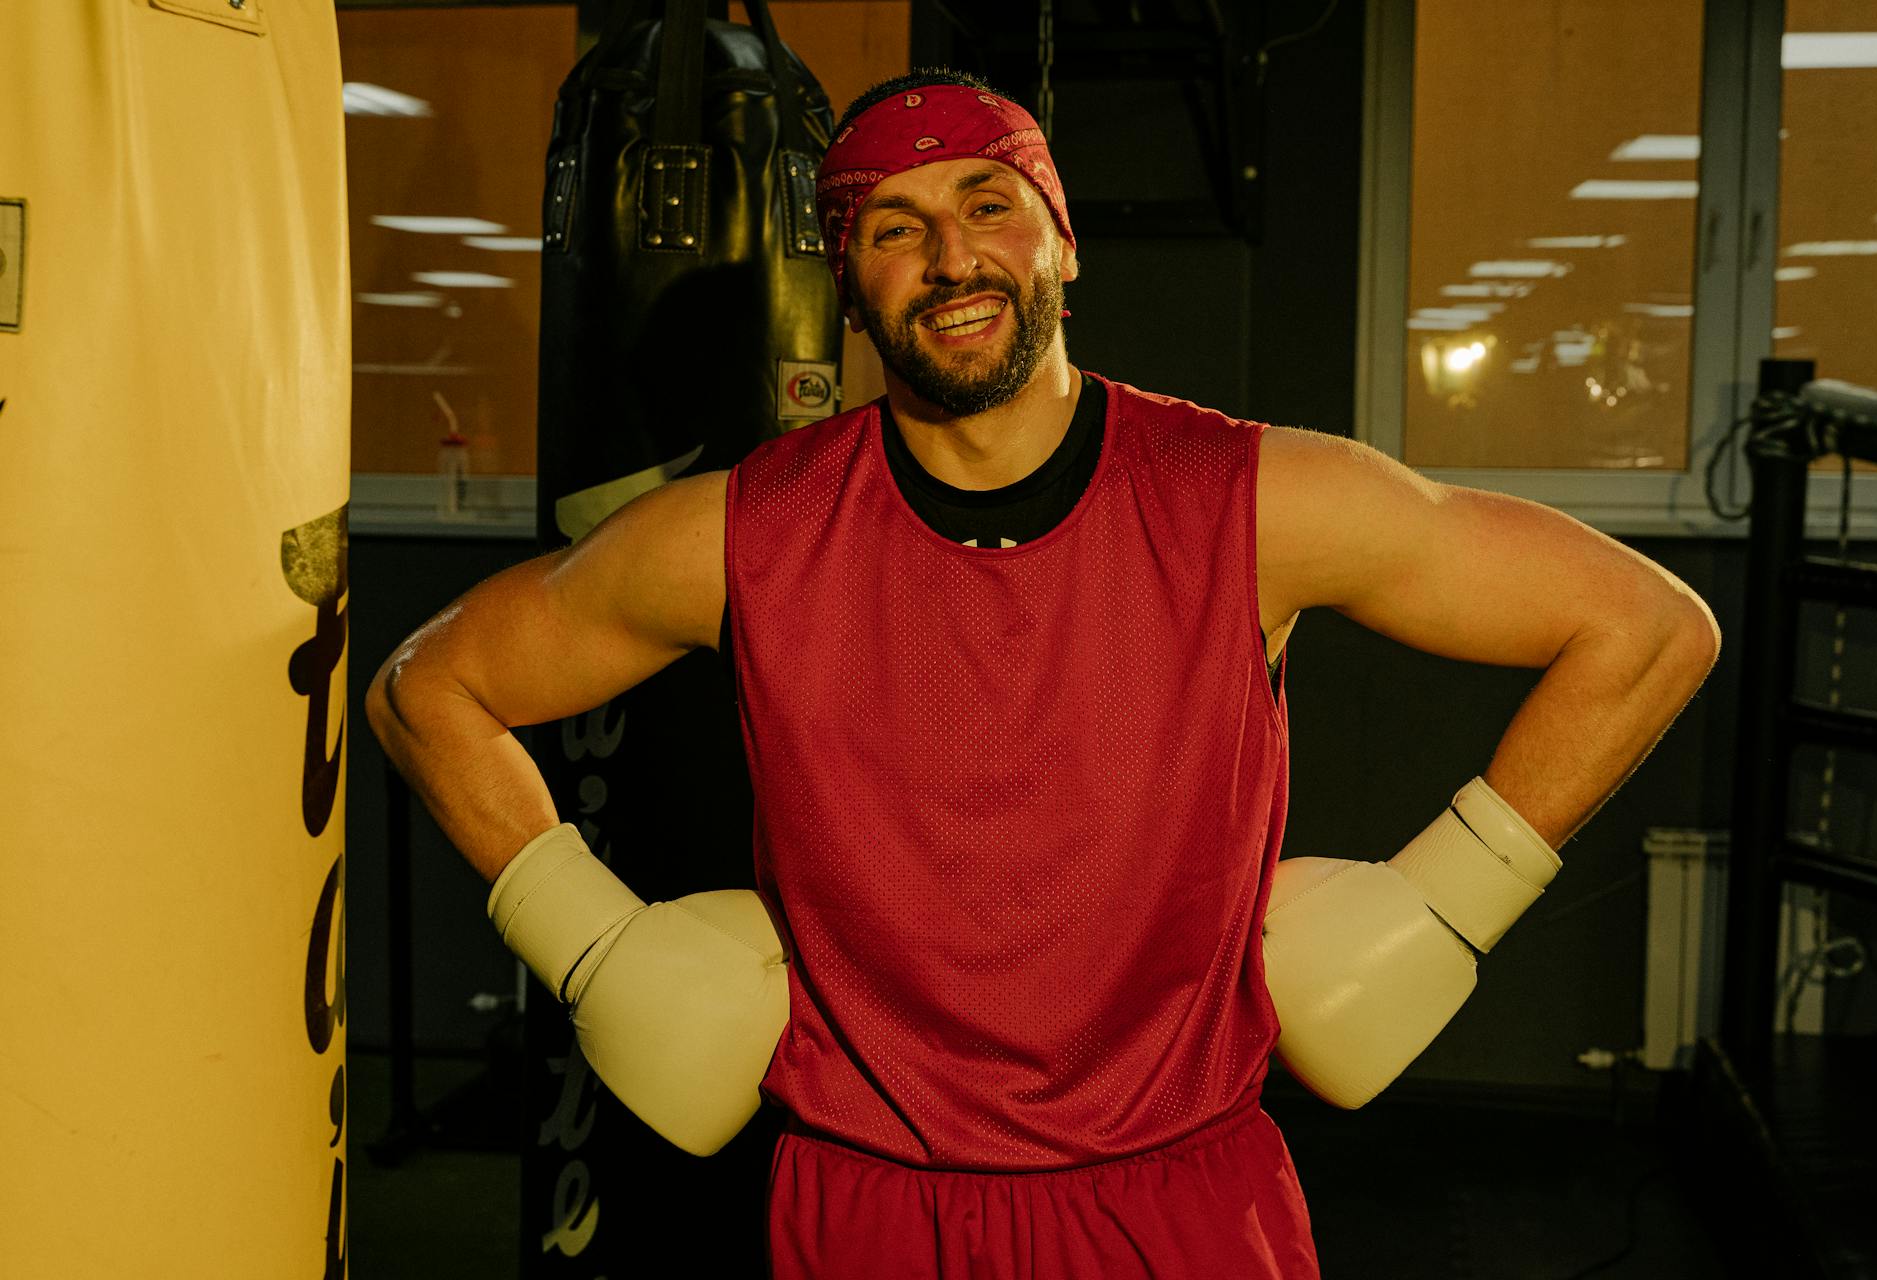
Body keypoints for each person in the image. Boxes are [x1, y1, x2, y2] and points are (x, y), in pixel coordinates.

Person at [367, 69, 1721, 1279]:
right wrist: (590, 942)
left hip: (1181, 1202)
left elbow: (1648, 627)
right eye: (892, 229)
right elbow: (427, 688)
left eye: (989, 205)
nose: (950, 257)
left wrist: (1451, 898)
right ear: (849, 284)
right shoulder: (741, 538)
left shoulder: (1249, 503)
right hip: (870, 1210)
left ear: (1062, 243)